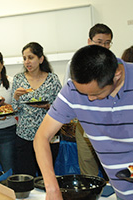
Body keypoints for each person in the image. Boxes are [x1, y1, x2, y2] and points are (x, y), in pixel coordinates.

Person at [34, 45, 133, 200]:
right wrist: (52, 188)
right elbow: (41, 137)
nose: (90, 99)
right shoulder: (73, 90)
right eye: (83, 93)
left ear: (117, 75)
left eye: (96, 94)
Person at [62, 23, 112, 179]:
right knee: (87, 168)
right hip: (84, 124)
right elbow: (67, 94)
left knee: (112, 169)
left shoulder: (116, 66)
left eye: (107, 42)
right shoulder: (74, 65)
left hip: (110, 125)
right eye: (99, 42)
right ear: (89, 42)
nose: (103, 46)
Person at [11, 42, 62, 177]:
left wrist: (48, 106)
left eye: (31, 57)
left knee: (46, 177)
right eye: (24, 58)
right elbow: (14, 109)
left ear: (40, 59)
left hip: (48, 136)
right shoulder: (18, 79)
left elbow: (62, 108)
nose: (27, 62)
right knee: (25, 177)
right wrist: (15, 97)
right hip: (24, 135)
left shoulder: (52, 79)